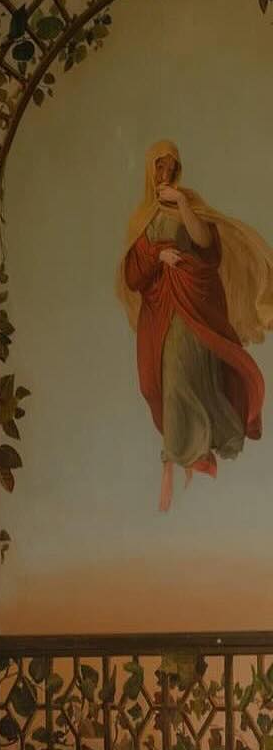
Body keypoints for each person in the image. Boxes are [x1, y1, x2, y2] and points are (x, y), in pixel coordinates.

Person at [118, 138, 273, 512]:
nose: (165, 172)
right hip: (160, 310)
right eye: (159, 165)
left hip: (193, 304)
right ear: (149, 169)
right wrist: (158, 254)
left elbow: (206, 245)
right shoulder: (143, 217)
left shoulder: (188, 203)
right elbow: (134, 274)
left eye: (171, 166)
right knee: (156, 382)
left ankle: (173, 461)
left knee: (182, 375)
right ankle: (188, 453)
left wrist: (183, 203)